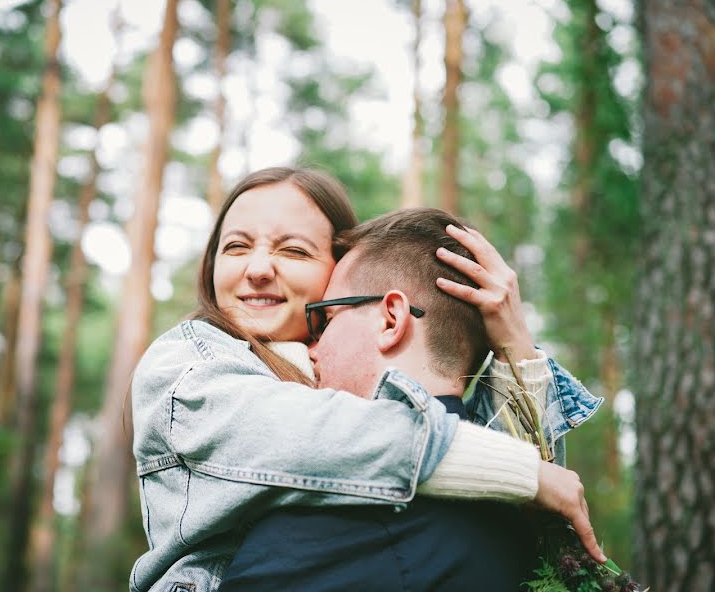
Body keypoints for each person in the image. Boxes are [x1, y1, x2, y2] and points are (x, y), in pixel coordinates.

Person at [129, 167, 603, 592]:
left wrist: (515, 345)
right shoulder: (187, 367)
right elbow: (316, 437)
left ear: (336, 271)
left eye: (292, 250)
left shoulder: (354, 387)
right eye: (235, 246)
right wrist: (522, 472)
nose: (256, 270)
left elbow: (542, 522)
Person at [219, 207, 556, 591]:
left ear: (390, 321)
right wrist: (517, 346)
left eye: (323, 320)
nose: (310, 346)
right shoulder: (527, 515)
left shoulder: (311, 534)